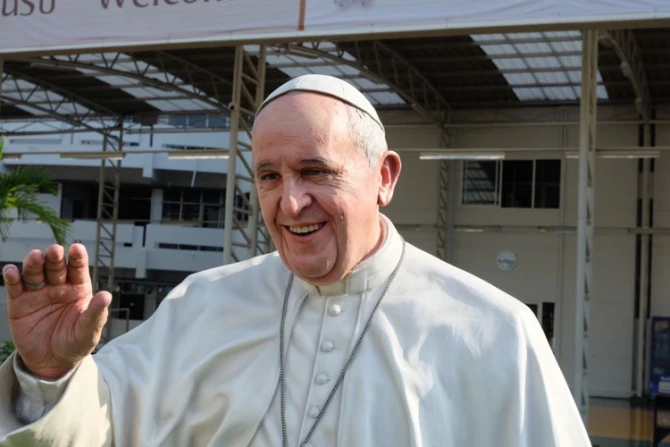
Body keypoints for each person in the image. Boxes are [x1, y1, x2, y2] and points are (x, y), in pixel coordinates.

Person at [0, 74, 591, 446]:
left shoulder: (495, 331)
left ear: (384, 177)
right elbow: (104, 422)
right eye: (269, 177)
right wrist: (49, 373)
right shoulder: (202, 304)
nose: (290, 203)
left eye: (315, 171)